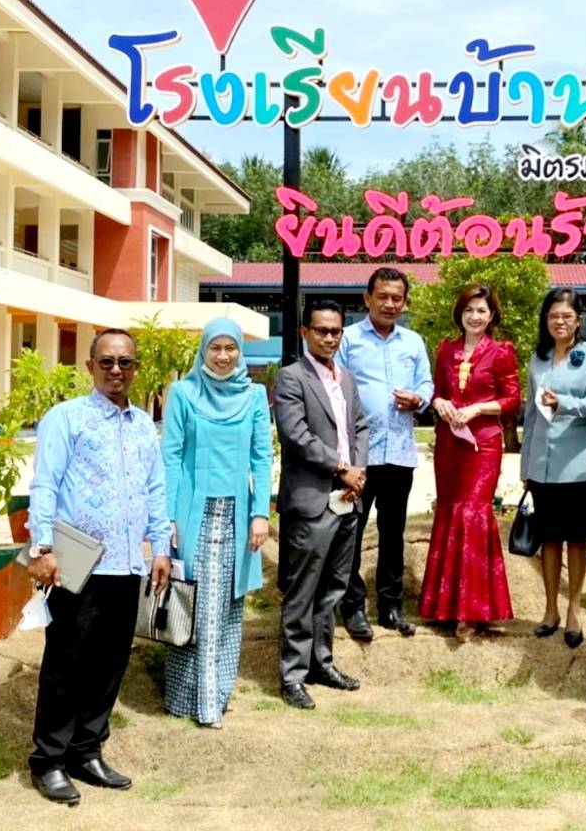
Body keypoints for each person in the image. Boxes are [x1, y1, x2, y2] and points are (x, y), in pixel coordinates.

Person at [25, 329, 171, 805]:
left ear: (136, 368)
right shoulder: (66, 418)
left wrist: (161, 548)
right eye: (106, 361)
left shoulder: (144, 425)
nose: (115, 370)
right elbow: (45, 485)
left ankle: (87, 751)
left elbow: (155, 489)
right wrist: (42, 548)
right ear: (89, 366)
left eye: (125, 362)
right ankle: (49, 759)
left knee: (110, 664)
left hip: (127, 565)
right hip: (76, 563)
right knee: (66, 663)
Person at [161, 318, 272, 729]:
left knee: (228, 607)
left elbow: (262, 458)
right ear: (203, 351)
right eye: (215, 348)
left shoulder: (255, 396)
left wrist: (260, 512)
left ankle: (215, 693)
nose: (223, 356)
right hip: (196, 515)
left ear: (240, 351)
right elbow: (171, 457)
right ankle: (200, 703)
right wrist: (167, 517)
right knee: (196, 605)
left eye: (231, 348)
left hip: (237, 517)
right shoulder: (184, 393)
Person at [274, 300, 369, 710]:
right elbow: (295, 435)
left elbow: (360, 427)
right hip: (313, 499)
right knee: (303, 591)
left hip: (348, 497)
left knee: (333, 589)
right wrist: (342, 468)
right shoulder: (290, 377)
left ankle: (321, 664)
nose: (329, 338)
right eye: (321, 331)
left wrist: (358, 473)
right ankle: (292, 676)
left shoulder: (346, 378)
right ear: (304, 332)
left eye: (335, 332)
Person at [335, 267, 434, 640]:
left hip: (399, 453)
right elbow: (334, 387)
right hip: (359, 456)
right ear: (368, 298)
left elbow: (426, 382)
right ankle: (353, 607)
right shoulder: (347, 339)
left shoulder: (413, 341)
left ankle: (391, 607)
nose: (390, 304)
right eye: (383, 296)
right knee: (352, 532)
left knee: (393, 534)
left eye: (397, 298)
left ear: (404, 302)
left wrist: (419, 398)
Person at [418, 283, 520, 641]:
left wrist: (477, 408)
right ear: (459, 314)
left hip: (483, 445)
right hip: (449, 444)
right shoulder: (446, 350)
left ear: (491, 316)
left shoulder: (502, 352)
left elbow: (512, 399)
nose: (475, 316)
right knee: (449, 513)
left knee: (474, 514)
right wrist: (438, 402)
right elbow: (435, 390)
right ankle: (444, 606)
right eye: (469, 310)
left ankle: (473, 611)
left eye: (481, 310)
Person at [520, 288, 586, 648]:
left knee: (576, 538)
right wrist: (526, 464)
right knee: (549, 538)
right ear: (546, 319)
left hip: (578, 464)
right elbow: (530, 414)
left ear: (578, 320)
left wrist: (565, 403)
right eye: (554, 315)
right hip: (543, 464)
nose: (560, 322)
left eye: (566, 316)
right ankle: (550, 609)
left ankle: (574, 610)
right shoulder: (538, 358)